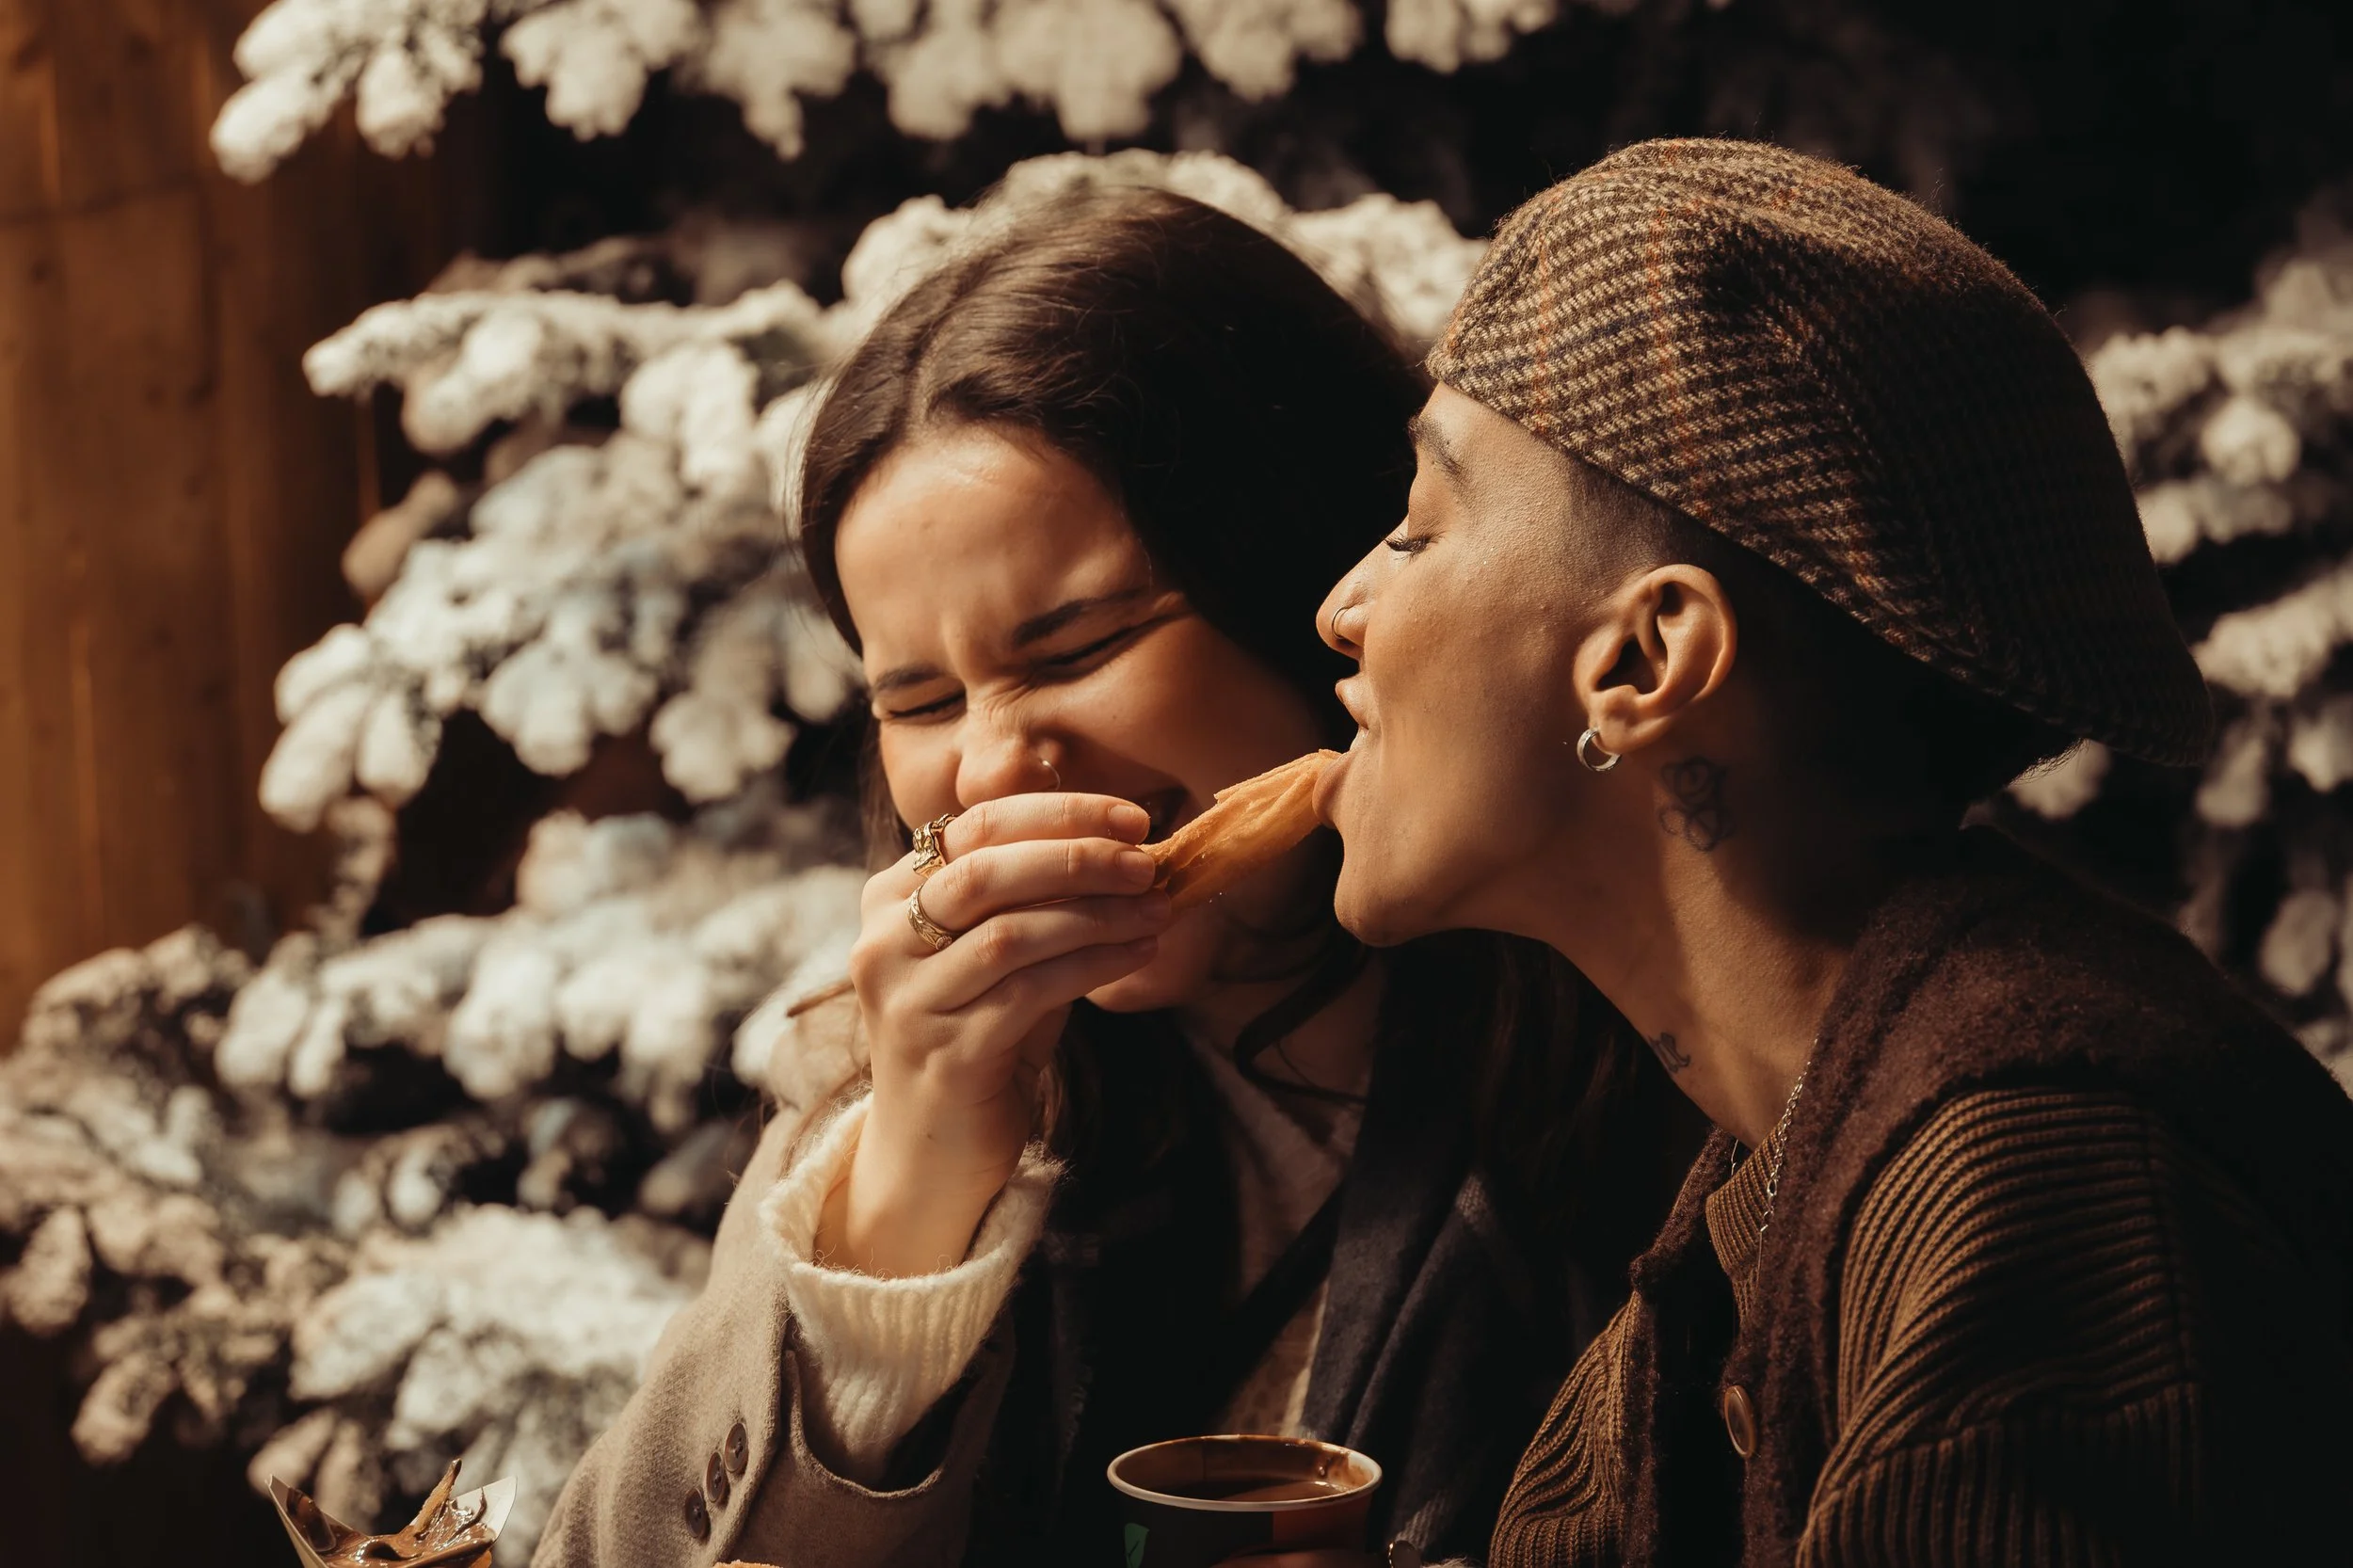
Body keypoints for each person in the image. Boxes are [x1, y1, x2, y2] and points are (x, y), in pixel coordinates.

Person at [536, 186, 1691, 1568]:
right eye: (921, 700)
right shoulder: (877, 1080)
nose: (990, 767)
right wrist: (909, 1196)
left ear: (1322, 590)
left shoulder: (1666, 1045)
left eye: (1076, 648)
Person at [1311, 138, 2353, 1566]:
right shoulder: (1782, 1171)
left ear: (1647, 659)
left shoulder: (2032, 1180)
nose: (1343, 608)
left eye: (1419, 530)